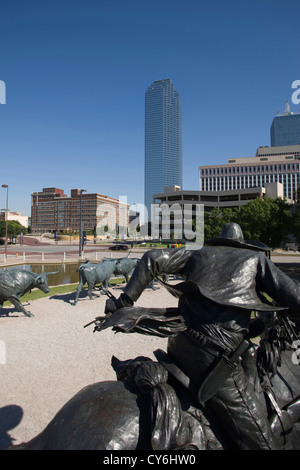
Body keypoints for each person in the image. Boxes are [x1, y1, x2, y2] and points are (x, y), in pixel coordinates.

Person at [104, 223, 300, 450]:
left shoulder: (198, 254)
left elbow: (152, 257)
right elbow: (295, 297)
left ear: (219, 241)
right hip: (214, 363)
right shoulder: (254, 259)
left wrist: (123, 302)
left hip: (179, 346)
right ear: (241, 243)